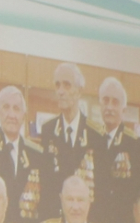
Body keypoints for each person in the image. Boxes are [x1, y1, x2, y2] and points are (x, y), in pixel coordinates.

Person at [0, 85, 54, 223]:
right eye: (6, 107)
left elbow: (44, 204)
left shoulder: (37, 155)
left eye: (16, 109)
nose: (11, 115)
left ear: (24, 116)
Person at [37, 62, 102, 203]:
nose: (61, 91)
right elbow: (45, 182)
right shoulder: (48, 130)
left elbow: (100, 188)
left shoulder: (95, 135)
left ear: (79, 91)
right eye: (57, 85)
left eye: (67, 85)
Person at [92, 76, 140, 223]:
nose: (109, 107)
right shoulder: (92, 139)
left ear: (124, 109)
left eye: (115, 102)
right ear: (100, 104)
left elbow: (139, 192)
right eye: (105, 100)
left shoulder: (134, 144)